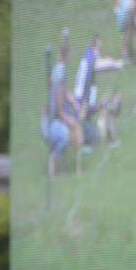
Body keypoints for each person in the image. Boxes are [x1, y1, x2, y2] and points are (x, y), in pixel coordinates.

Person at [40, 33, 81, 177]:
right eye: (69, 54)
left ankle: (64, 164)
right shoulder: (58, 72)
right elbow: (58, 105)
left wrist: (74, 103)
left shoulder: (60, 69)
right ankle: (52, 161)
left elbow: (65, 91)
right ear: (65, 55)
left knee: (72, 118)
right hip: (49, 124)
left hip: (54, 119)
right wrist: (68, 120)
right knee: (64, 134)